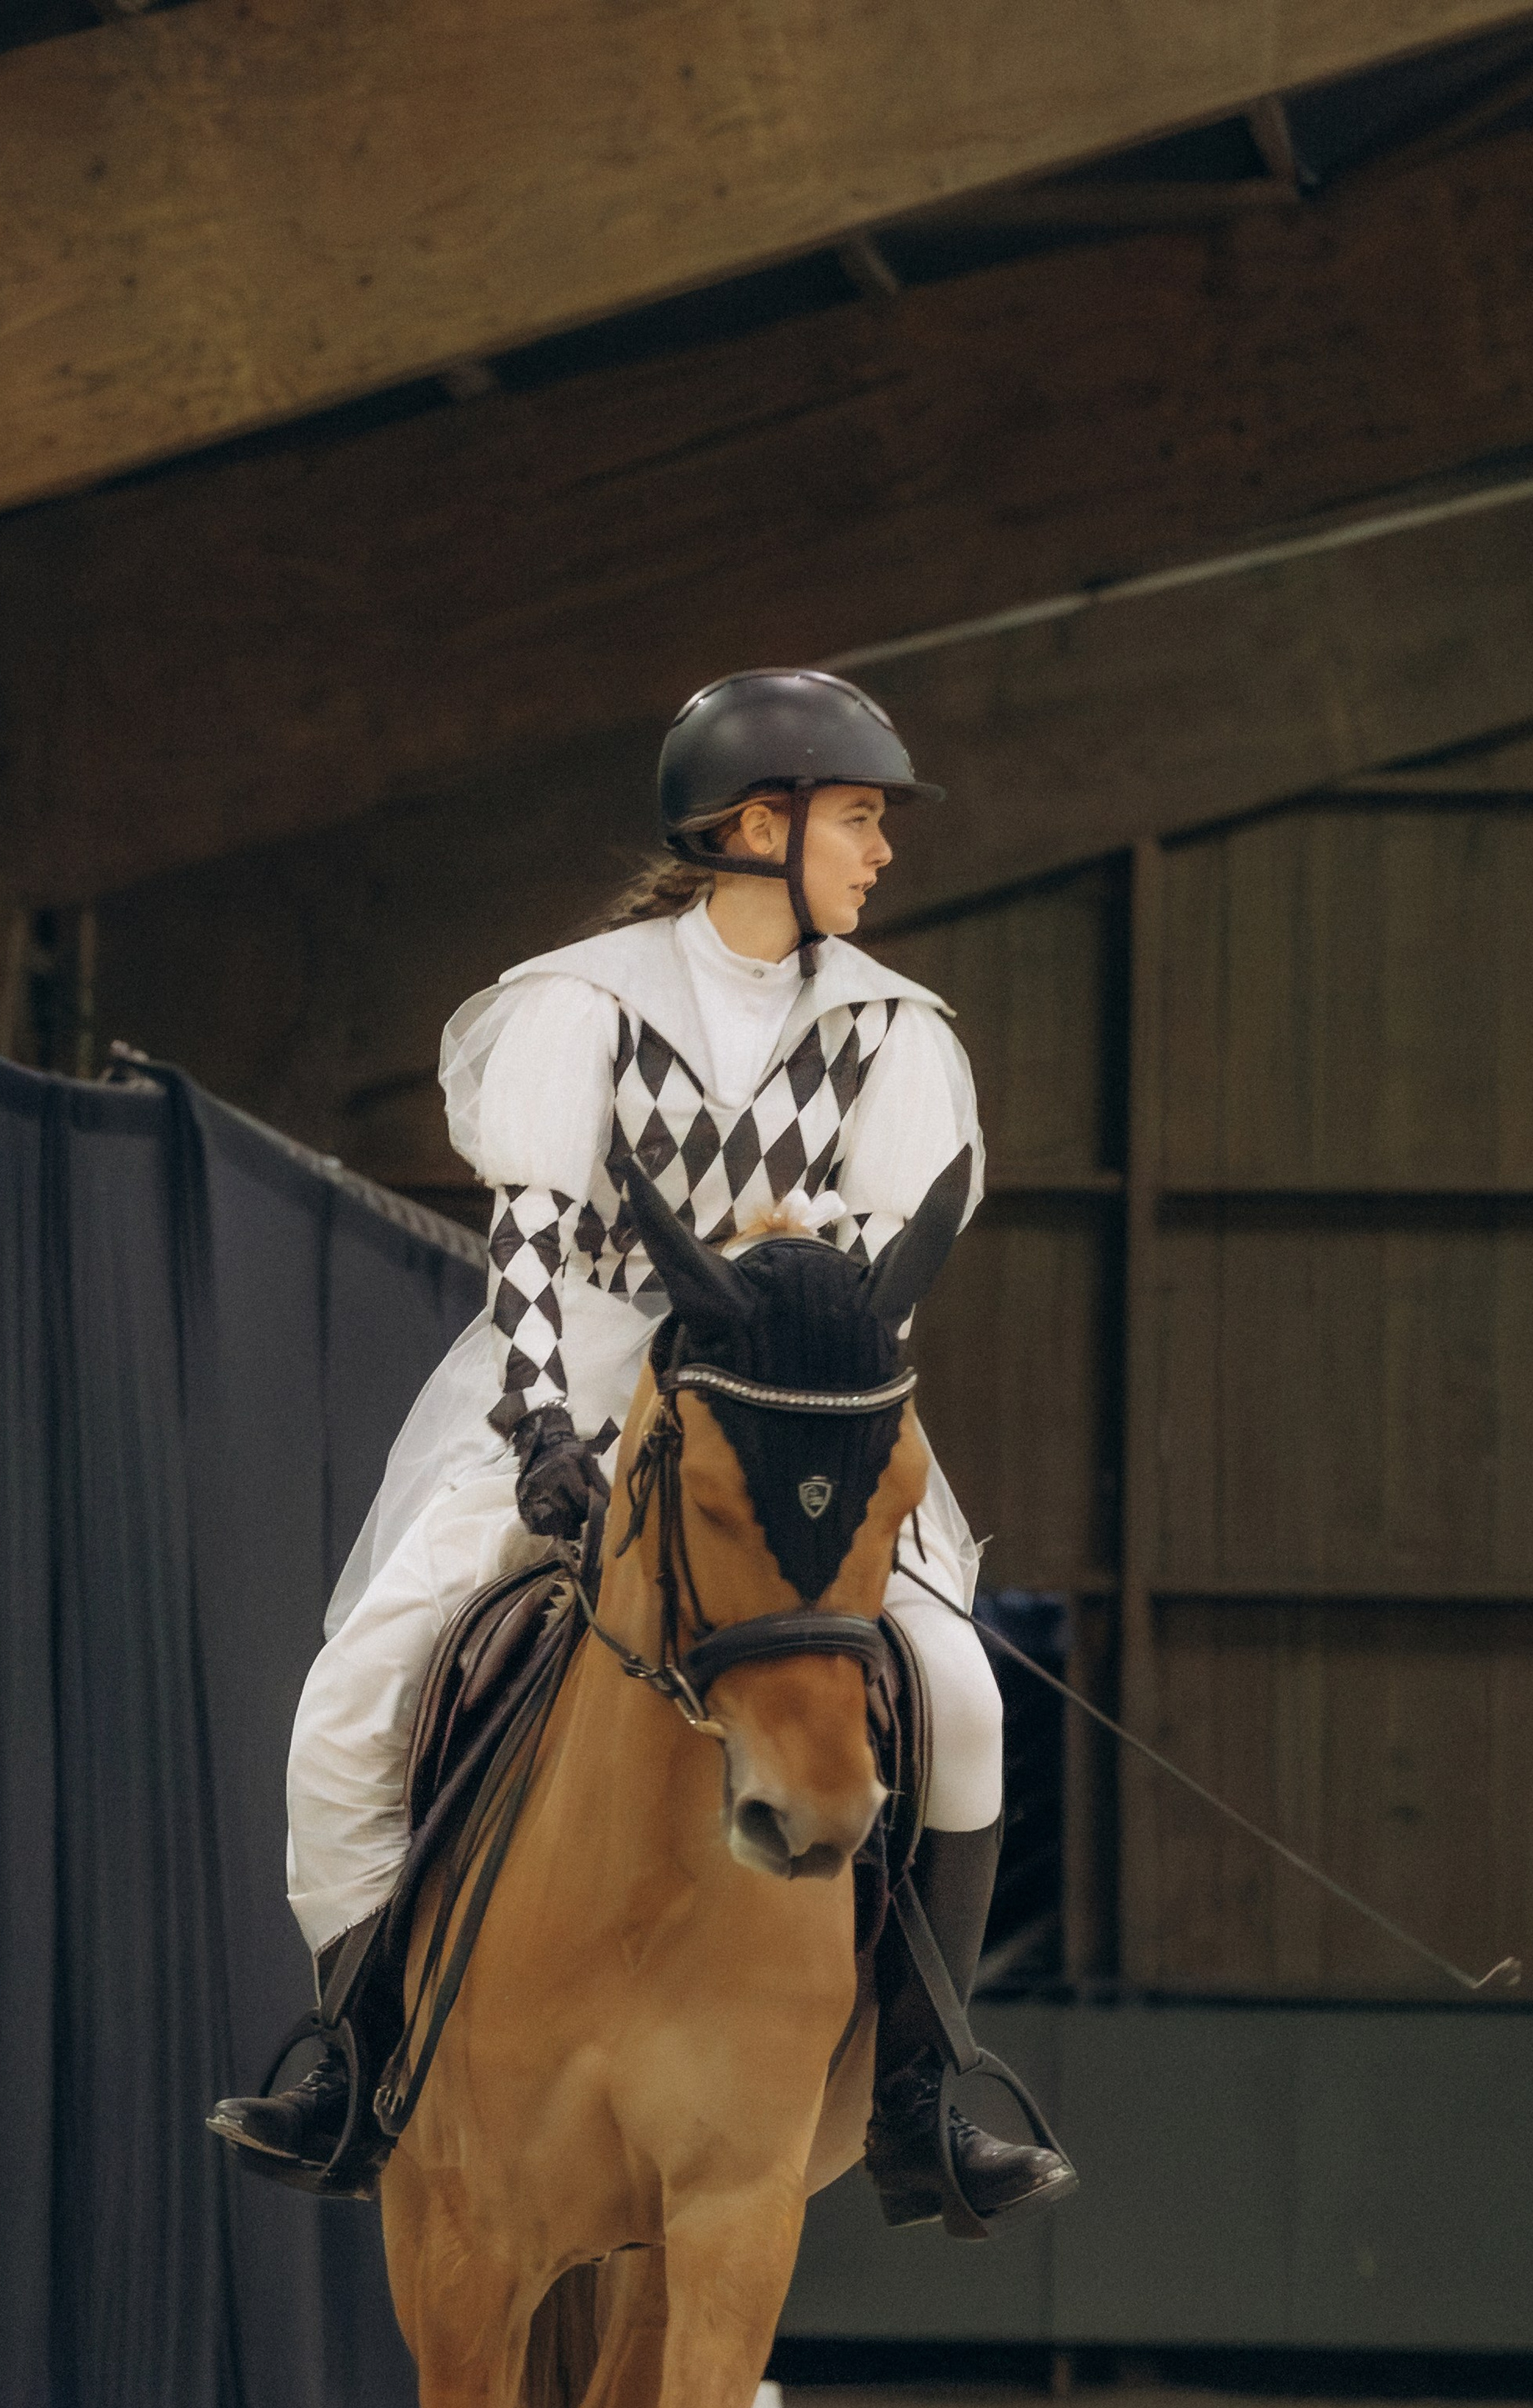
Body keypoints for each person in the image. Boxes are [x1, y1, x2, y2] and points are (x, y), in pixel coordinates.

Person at [211, 668, 1075, 2230]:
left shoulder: (893, 1031)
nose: (880, 855)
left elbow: (876, 1290)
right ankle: (356, 2055)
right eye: (860, 820)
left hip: (792, 1411)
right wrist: (544, 1426)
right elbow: (530, 1240)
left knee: (962, 1697)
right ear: (762, 825)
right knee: (349, 1703)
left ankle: (921, 2094)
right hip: (589, 1370)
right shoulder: (580, 1002)